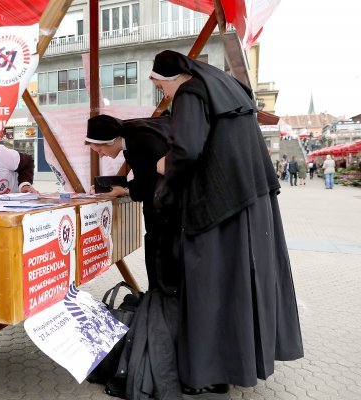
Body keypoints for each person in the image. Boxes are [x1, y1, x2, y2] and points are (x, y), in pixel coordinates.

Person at [149, 50, 303, 396]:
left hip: (219, 207)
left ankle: (209, 374)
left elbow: (186, 151)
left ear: (174, 79)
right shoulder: (228, 89)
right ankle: (241, 363)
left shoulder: (191, 92)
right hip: (254, 202)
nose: (164, 96)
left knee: (212, 287)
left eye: (161, 87)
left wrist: (163, 166)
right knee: (243, 287)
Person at [85, 115, 180, 292]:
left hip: (168, 215)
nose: (102, 155)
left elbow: (152, 183)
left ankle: (160, 307)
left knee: (162, 265)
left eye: (100, 151)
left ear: (110, 141)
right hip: (167, 212)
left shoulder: (141, 142)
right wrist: (126, 188)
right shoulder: (135, 135)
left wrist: (126, 190)